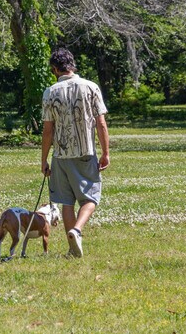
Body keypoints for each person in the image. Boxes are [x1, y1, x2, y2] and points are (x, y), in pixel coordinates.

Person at [41, 48, 110, 258]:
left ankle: (73, 249)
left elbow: (47, 130)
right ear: (73, 64)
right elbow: (101, 123)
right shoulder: (91, 87)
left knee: (66, 201)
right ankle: (77, 230)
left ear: (55, 69)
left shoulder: (50, 92)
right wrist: (105, 152)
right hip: (85, 151)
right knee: (91, 198)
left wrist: (44, 159)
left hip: (60, 155)